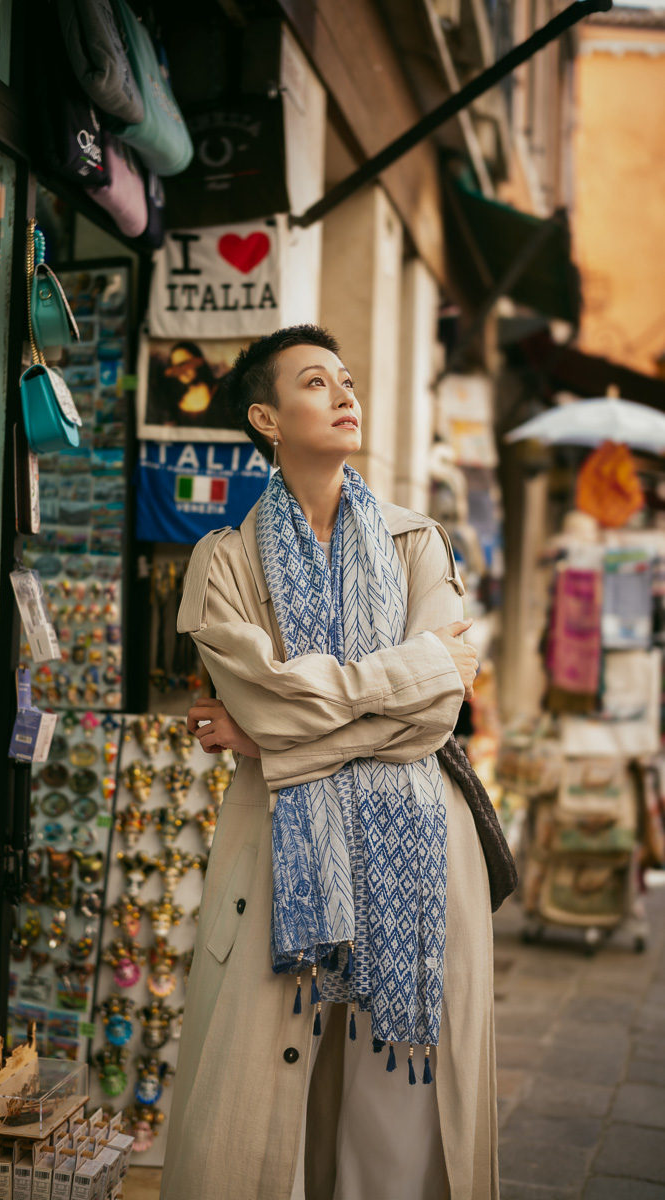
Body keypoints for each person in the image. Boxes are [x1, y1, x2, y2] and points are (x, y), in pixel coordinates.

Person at [160, 325, 504, 1200]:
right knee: (261, 1114)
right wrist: (385, 682)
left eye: (348, 378)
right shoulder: (224, 563)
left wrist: (276, 737)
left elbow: (433, 716)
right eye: (318, 382)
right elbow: (277, 698)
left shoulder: (417, 541)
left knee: (395, 1120)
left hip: (418, 854)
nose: (346, 392)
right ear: (267, 417)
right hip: (281, 858)